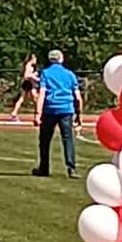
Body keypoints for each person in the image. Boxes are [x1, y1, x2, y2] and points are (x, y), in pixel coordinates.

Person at [32, 49, 84, 178]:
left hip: (50, 109)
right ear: (61, 59)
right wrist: (79, 114)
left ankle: (44, 167)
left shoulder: (45, 73)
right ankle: (71, 168)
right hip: (66, 109)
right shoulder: (70, 74)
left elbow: (42, 93)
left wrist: (38, 113)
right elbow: (78, 97)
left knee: (44, 140)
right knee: (68, 139)